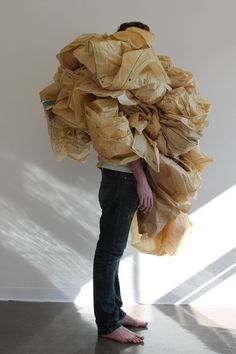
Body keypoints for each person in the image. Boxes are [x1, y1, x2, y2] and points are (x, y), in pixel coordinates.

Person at [93, 21, 154, 344]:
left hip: (119, 178)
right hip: (122, 177)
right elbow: (120, 137)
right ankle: (107, 323)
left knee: (114, 251)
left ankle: (115, 311)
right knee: (109, 251)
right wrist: (141, 180)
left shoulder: (127, 76)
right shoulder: (113, 81)